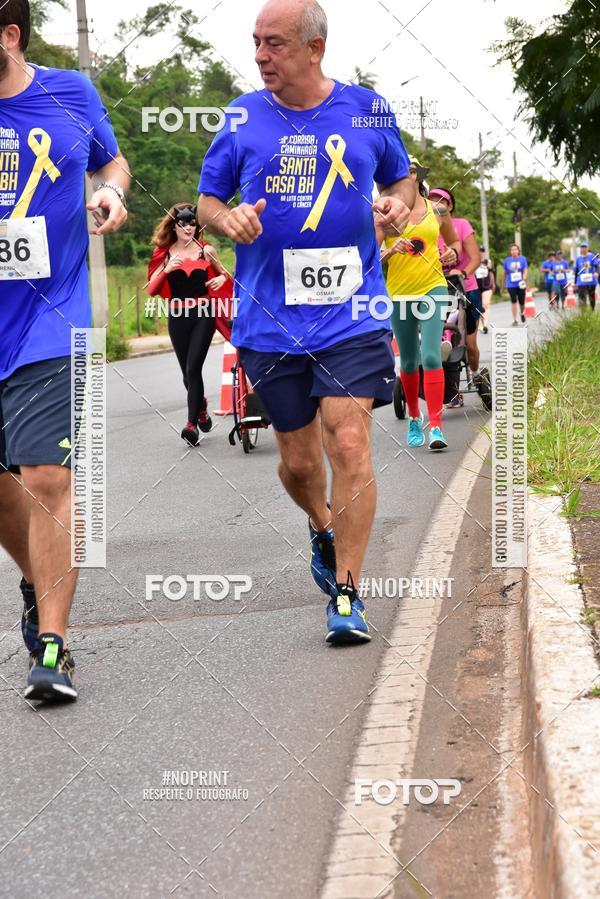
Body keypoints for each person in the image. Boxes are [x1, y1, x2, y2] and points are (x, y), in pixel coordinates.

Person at [197, 0, 416, 644]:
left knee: (348, 442)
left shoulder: (368, 109)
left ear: (314, 49)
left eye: (275, 44)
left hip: (352, 310)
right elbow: (208, 198)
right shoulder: (240, 117)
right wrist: (225, 217)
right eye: (256, 43)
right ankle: (320, 524)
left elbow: (403, 181)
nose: (261, 55)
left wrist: (397, 208)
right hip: (269, 318)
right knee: (297, 463)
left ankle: (347, 592)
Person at [0, 0, 129, 701]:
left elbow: (111, 161)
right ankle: (35, 576)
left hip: (51, 319)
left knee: (45, 476)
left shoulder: (69, 93)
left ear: (9, 35)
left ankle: (52, 645)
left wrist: (109, 193)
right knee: (5, 494)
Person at [378, 160, 460, 450]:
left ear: (418, 176)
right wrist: (390, 250)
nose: (406, 176)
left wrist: (451, 252)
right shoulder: (384, 211)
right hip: (399, 293)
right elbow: (369, 258)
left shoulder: (437, 209)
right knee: (410, 362)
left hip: (433, 289)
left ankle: (436, 426)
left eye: (411, 171)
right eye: (401, 171)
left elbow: (455, 244)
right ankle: (415, 416)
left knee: (431, 356)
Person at [147, 204, 228, 445]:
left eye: (192, 223)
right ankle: (200, 406)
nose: (188, 227)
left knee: (193, 369)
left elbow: (225, 274)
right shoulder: (164, 254)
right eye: (183, 223)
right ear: (174, 226)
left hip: (203, 314)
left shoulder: (207, 250)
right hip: (177, 317)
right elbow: (151, 289)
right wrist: (166, 270)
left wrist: (220, 279)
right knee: (186, 374)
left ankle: (191, 424)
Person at [427, 187, 485, 405]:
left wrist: (462, 271)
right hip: (437, 289)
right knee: (443, 337)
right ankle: (450, 389)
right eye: (431, 200)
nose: (437, 203)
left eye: (441, 200)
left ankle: (474, 373)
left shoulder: (461, 226)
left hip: (465, 288)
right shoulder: (427, 227)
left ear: (450, 205)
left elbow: (475, 258)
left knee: (469, 343)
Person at [501, 244, 529, 325]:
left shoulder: (522, 259)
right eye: (512, 250)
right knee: (513, 301)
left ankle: (522, 313)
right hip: (510, 284)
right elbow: (504, 273)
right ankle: (514, 319)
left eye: (515, 249)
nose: (514, 251)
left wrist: (524, 277)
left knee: (522, 301)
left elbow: (525, 269)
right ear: (510, 252)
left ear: (518, 251)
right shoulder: (507, 260)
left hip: (520, 283)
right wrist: (502, 284)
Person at [475, 245, 494, 333]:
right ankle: (480, 325)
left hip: (486, 286)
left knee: (485, 305)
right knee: (478, 306)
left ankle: (485, 324)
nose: (481, 253)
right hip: (476, 286)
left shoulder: (488, 262)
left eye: (482, 251)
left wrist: (493, 284)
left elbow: (491, 274)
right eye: (479, 251)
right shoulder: (473, 262)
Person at [574, 242, 598, 311]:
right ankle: (584, 312)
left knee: (591, 296)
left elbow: (597, 266)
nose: (584, 249)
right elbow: (576, 271)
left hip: (591, 280)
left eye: (585, 247)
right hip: (581, 281)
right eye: (582, 248)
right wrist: (575, 282)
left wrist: (596, 272)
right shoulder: (578, 258)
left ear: (587, 248)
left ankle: (592, 310)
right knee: (582, 296)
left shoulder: (591, 256)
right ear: (581, 249)